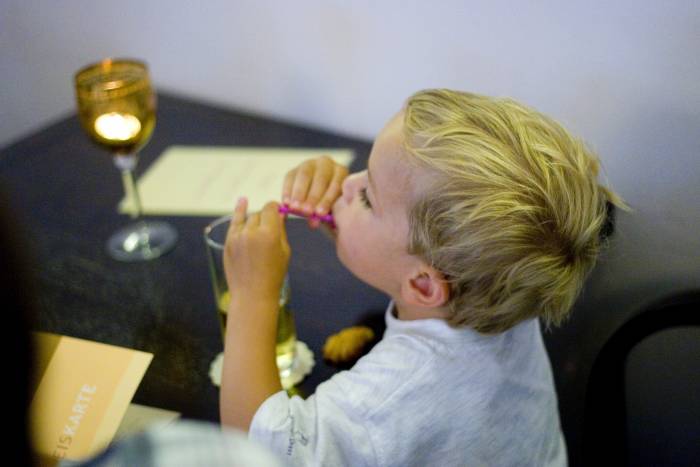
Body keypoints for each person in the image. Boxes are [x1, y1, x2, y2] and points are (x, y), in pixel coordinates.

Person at [220, 89, 626, 466]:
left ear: (424, 286)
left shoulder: (391, 395)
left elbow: (259, 448)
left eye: (367, 196)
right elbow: (406, 259)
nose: (347, 182)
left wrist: (252, 296)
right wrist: (356, 217)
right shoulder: (504, 285)